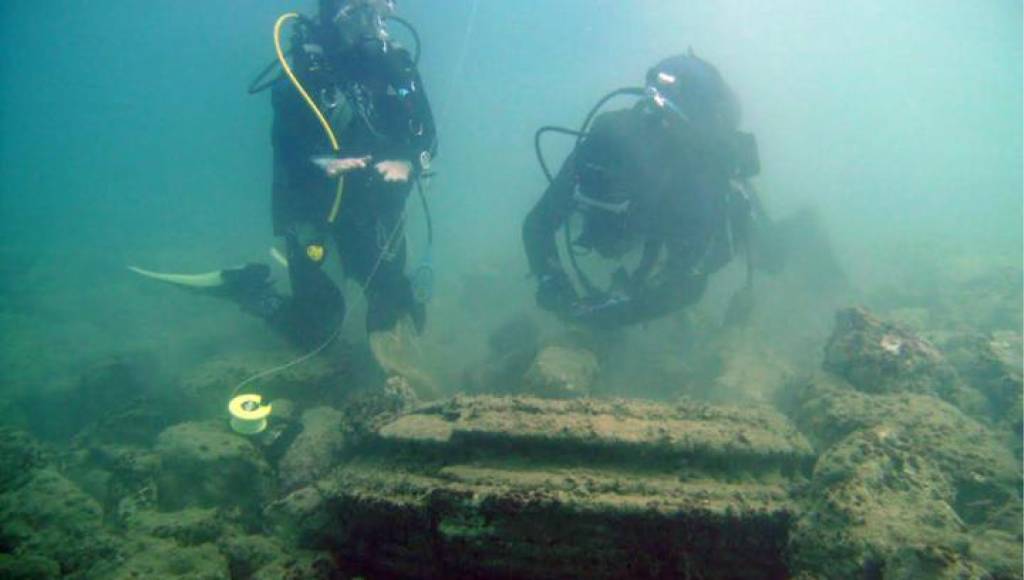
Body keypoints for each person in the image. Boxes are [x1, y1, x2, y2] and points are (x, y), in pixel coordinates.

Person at [133, 0, 437, 359]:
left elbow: (428, 135)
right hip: (316, 208)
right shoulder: (305, 72)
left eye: (379, 14)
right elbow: (287, 149)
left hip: (373, 209)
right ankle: (248, 290)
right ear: (337, 14)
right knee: (318, 329)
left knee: (398, 307)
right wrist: (324, 165)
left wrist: (409, 162)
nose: (374, 25)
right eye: (362, 14)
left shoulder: (395, 64)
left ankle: (385, 367)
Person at [523, 52, 763, 329]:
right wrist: (553, 284)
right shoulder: (602, 141)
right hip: (655, 210)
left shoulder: (694, 174)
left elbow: (689, 284)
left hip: (679, 207)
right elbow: (537, 224)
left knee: (767, 252)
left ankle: (800, 232)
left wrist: (615, 314)